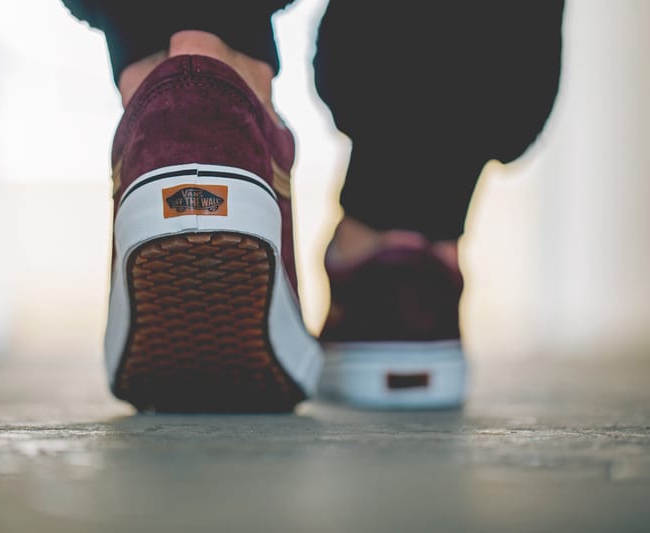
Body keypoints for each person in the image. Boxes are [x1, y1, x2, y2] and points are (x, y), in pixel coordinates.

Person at [60, 0, 565, 413]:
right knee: (417, 186)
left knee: (183, 47)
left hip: (156, 115)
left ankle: (176, 97)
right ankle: (405, 249)